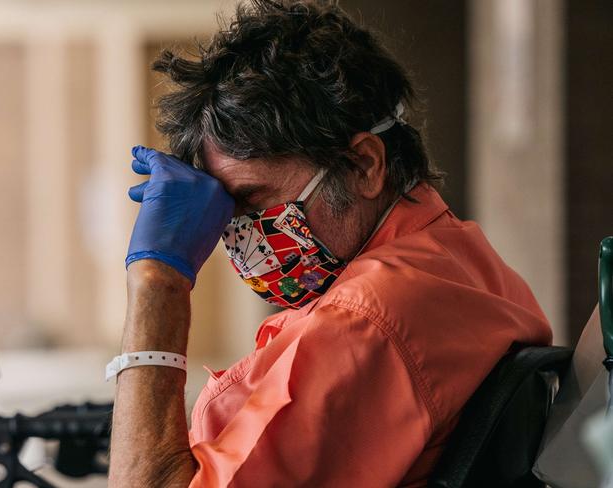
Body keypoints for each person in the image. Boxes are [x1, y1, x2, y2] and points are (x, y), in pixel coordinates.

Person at [107, 1, 553, 486]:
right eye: (222, 210)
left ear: (364, 165)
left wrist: (158, 281)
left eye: (251, 198)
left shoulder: (365, 322)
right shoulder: (458, 254)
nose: (236, 231)